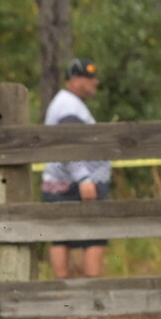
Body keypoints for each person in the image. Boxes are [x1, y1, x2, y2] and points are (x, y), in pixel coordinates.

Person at [41, 58, 110, 279]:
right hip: (75, 185)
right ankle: (89, 292)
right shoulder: (68, 107)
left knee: (61, 237)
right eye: (89, 78)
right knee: (94, 236)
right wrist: (84, 179)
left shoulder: (67, 103)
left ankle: (65, 293)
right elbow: (68, 146)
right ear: (75, 79)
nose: (95, 82)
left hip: (60, 182)